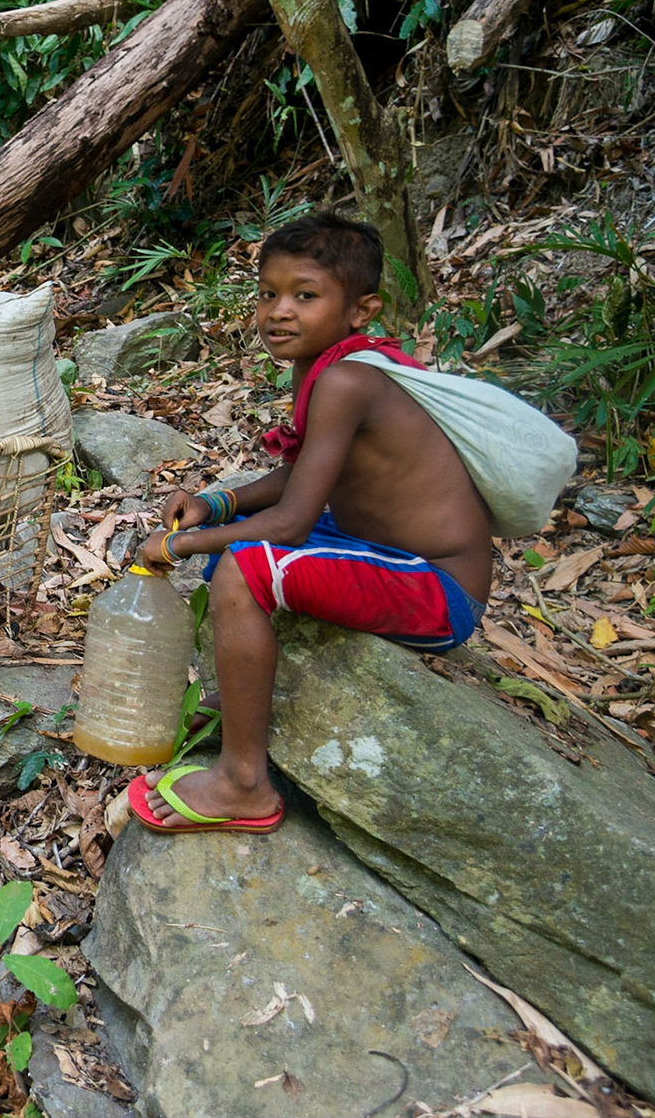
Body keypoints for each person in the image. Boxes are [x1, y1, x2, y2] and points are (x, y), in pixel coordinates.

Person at [133, 212, 491, 833]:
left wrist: (182, 543)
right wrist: (219, 505)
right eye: (269, 293)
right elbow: (298, 478)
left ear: (362, 310)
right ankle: (242, 701)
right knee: (234, 550)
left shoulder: (350, 379)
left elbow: (295, 520)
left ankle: (244, 783)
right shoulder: (325, 368)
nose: (279, 311)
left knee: (245, 566)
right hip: (382, 555)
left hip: (437, 588)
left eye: (305, 295)